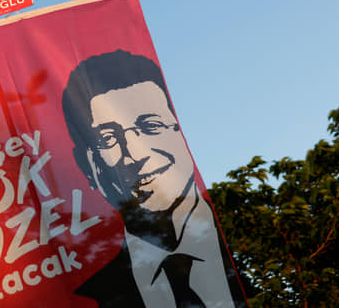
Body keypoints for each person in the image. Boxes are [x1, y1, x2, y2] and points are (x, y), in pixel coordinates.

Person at [62, 50, 246, 308]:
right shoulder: (83, 298)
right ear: (87, 165)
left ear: (180, 130)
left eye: (151, 126)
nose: (135, 154)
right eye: (108, 139)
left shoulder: (254, 232)